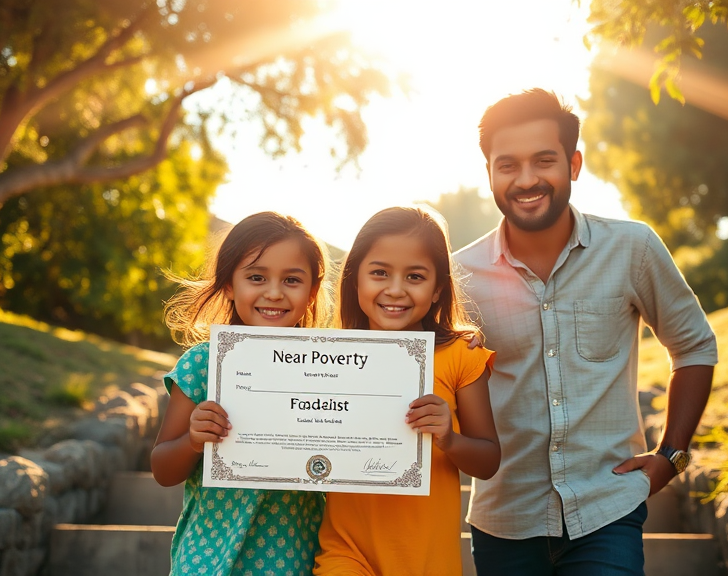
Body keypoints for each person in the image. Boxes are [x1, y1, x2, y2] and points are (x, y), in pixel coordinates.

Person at [454, 89, 718, 575]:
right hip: (504, 521)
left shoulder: (633, 248)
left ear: (573, 164)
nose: (527, 179)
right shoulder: (458, 276)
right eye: (507, 164)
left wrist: (672, 456)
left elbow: (695, 346)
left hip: (608, 511)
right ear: (489, 172)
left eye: (544, 160)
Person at [314, 206, 502, 576]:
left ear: (437, 291)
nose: (395, 289)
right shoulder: (323, 357)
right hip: (345, 551)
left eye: (415, 276)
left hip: (426, 560)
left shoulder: (460, 356)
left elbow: (489, 460)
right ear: (355, 280)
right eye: (379, 272)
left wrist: (449, 438)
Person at [151, 211, 332, 576]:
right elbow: (162, 469)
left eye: (292, 279)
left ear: (312, 291)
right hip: (208, 559)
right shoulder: (203, 364)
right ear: (230, 285)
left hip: (293, 558)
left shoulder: (329, 369)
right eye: (256, 277)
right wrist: (193, 440)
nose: (274, 292)